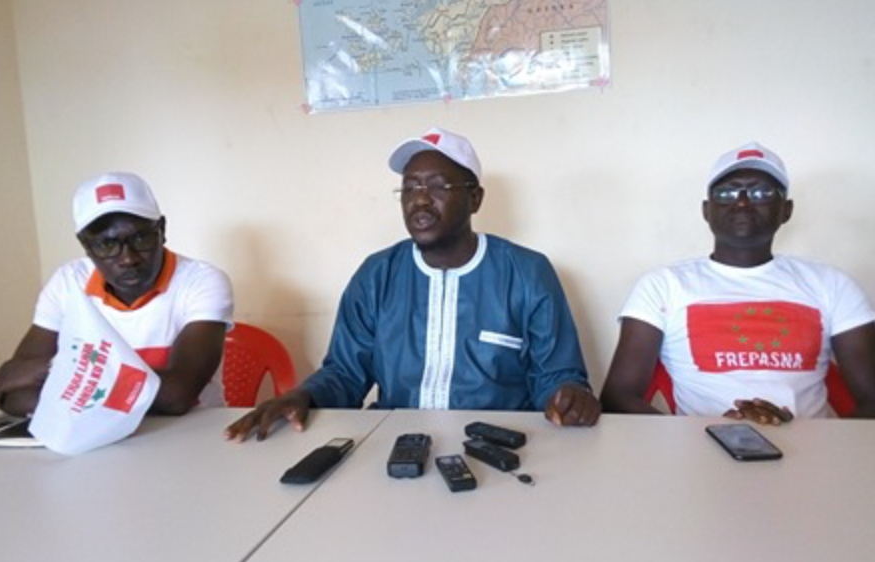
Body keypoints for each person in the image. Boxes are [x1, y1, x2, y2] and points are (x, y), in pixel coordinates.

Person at [226, 127, 599, 441]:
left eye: (438, 186)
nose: (420, 200)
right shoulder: (376, 275)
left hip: (501, 445)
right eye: (409, 188)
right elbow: (345, 373)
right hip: (395, 443)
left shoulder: (528, 273)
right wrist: (304, 395)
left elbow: (556, 374)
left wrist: (569, 397)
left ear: (475, 199)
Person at [601, 142, 875, 423]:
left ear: (786, 210)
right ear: (706, 210)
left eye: (761, 193)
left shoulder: (832, 285)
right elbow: (617, 397)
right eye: (727, 193)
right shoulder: (663, 285)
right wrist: (700, 434)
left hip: (813, 455)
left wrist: (813, 442)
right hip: (698, 454)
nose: (743, 203)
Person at [0, 172, 234, 416]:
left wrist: (59, 371)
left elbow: (176, 396)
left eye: (140, 238)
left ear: (162, 229)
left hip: (189, 432)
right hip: (95, 435)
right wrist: (116, 389)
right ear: (85, 245)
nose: (128, 258)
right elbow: (11, 394)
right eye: (106, 244)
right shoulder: (68, 282)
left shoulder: (202, 281)